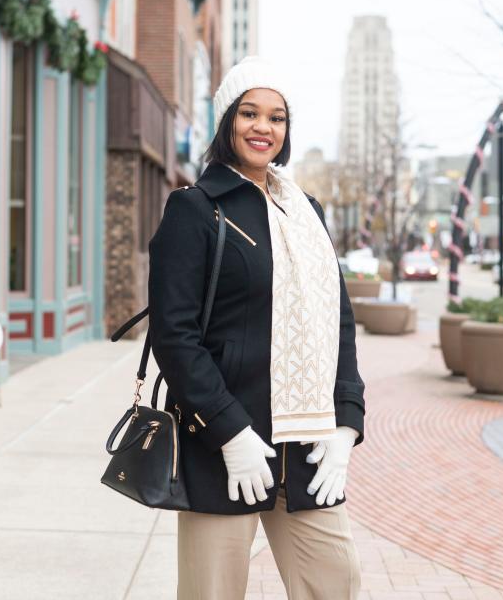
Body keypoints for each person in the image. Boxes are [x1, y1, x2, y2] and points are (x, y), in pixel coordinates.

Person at [148, 56, 366, 599]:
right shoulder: (194, 210)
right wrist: (231, 432)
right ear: (227, 122)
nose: (263, 128)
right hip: (226, 444)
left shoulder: (306, 211)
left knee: (335, 583)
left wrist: (345, 423)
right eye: (249, 113)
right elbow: (174, 336)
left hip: (306, 445)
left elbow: (337, 321)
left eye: (277, 117)